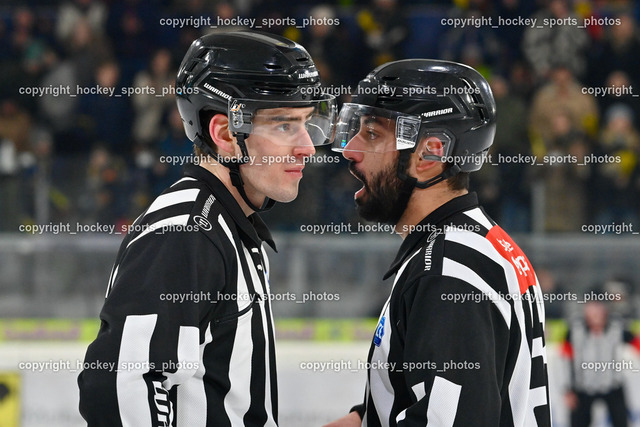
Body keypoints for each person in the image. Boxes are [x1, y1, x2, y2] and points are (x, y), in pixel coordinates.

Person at [77, 30, 336, 426]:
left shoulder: (228, 225)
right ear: (225, 134)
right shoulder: (187, 232)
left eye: (306, 123)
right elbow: (116, 390)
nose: (307, 146)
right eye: (285, 126)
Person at [325, 59, 551, 426]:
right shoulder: (477, 243)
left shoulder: (448, 272)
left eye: (371, 135)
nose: (349, 151)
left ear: (430, 154)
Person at [562, 292, 640, 427]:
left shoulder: (617, 327)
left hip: (612, 385)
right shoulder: (575, 329)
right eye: (591, 307)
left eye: (598, 307)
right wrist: (568, 389)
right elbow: (565, 361)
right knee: (577, 421)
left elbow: (635, 342)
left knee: (621, 421)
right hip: (582, 387)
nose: (595, 312)